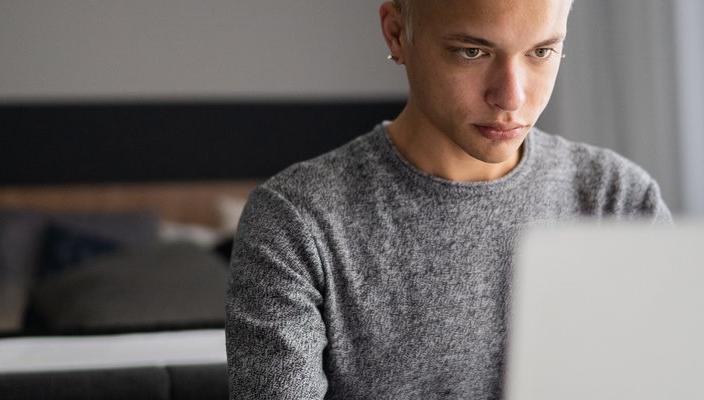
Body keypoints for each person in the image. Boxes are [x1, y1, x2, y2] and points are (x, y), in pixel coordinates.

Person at [226, 0, 673, 398]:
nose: (511, 97)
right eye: (472, 51)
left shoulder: (618, 200)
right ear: (397, 34)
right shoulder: (295, 222)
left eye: (541, 51)